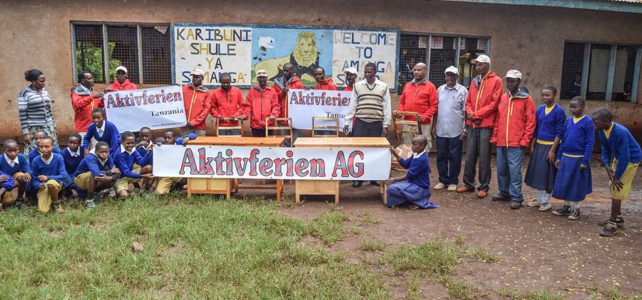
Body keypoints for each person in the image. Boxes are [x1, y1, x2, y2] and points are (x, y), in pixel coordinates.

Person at [457, 54, 502, 199]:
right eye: (476, 65)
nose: (478, 67)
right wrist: (470, 114)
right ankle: (468, 183)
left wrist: (476, 115)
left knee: (484, 157)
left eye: (481, 64)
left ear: (487, 65)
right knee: (469, 156)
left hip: (485, 125)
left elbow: (494, 104)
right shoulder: (474, 81)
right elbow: (468, 101)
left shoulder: (496, 81)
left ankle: (484, 186)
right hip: (472, 125)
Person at [489, 70, 536, 209]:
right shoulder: (504, 97)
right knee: (502, 169)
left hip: (517, 142)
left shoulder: (527, 99)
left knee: (514, 171)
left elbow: (530, 121)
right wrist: (496, 136)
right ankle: (504, 192)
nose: (509, 83)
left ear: (519, 82)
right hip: (502, 141)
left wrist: (525, 140)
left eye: (513, 80)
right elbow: (498, 119)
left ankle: (516, 196)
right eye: (508, 80)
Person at [592, 108, 641, 237]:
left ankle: (613, 224)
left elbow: (625, 156)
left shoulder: (620, 132)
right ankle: (618, 218)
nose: (594, 125)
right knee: (612, 186)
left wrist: (617, 176)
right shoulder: (602, 131)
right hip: (620, 158)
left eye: (596, 122)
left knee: (618, 189)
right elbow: (605, 149)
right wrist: (607, 164)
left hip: (631, 159)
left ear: (606, 121)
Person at [343, 62, 392, 187]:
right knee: (358, 150)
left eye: (369, 72)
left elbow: (386, 106)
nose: (367, 74)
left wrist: (386, 124)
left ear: (375, 72)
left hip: (376, 122)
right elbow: (352, 105)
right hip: (360, 122)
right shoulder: (358, 86)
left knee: (374, 151)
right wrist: (347, 123)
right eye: (365, 72)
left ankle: (373, 177)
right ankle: (358, 178)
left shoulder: (383, 86)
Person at [551, 97, 594, 220]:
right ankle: (566, 206)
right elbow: (563, 140)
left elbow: (589, 143)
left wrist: (585, 161)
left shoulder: (587, 122)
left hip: (578, 159)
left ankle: (576, 209)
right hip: (566, 158)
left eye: (575, 107)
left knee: (576, 184)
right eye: (571, 107)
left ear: (583, 107)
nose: (572, 109)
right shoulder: (568, 121)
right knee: (565, 182)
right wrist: (559, 156)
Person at [524, 86, 566, 211]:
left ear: (554, 96)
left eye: (548, 95)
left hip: (550, 146)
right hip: (539, 145)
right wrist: (533, 143)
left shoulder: (559, 111)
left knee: (547, 175)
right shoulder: (540, 109)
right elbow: (536, 128)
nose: (545, 97)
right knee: (537, 173)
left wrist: (553, 150)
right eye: (543, 95)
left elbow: (559, 133)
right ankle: (539, 199)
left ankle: (546, 201)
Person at [433, 66, 468, 191]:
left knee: (455, 156)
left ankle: (453, 181)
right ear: (445, 76)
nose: (450, 78)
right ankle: (443, 180)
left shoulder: (463, 91)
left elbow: (465, 112)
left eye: (452, 75)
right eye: (448, 75)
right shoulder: (439, 90)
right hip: (441, 129)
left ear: (457, 77)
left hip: (456, 130)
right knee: (441, 156)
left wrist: (465, 129)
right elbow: (436, 110)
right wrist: (434, 126)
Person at [386, 135, 438, 209]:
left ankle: (418, 199)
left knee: (392, 188)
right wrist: (394, 153)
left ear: (422, 146)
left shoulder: (421, 159)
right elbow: (406, 164)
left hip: (419, 187)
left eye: (414, 144)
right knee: (392, 186)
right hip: (413, 183)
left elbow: (409, 175)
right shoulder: (416, 154)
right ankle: (412, 200)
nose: (412, 146)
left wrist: (394, 180)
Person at [395, 62, 438, 149]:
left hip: (422, 124)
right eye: (414, 70)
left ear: (425, 71)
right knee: (407, 148)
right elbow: (402, 102)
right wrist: (400, 112)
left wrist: (424, 117)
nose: (416, 72)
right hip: (407, 123)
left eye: (419, 70)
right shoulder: (408, 85)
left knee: (422, 149)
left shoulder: (430, 87)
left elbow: (433, 106)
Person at [19, 69, 59, 153]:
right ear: (33, 81)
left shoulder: (44, 91)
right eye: (41, 81)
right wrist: (26, 133)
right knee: (34, 151)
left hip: (49, 127)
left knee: (52, 150)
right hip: (34, 129)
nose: (43, 83)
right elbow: (22, 115)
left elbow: (49, 110)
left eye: (44, 81)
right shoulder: (25, 93)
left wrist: (54, 126)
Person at [73, 142, 120, 208]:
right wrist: (111, 171)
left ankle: (95, 193)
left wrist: (110, 178)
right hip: (79, 180)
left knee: (112, 178)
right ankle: (90, 200)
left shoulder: (108, 156)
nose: (104, 154)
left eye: (106, 152)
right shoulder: (90, 157)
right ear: (96, 151)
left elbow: (118, 172)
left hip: (93, 180)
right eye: (101, 152)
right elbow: (96, 173)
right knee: (93, 175)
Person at [29, 136, 67, 213]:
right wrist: (38, 185)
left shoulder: (58, 158)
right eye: (41, 147)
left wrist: (47, 178)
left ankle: (56, 204)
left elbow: (63, 175)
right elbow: (34, 179)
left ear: (52, 146)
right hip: (43, 187)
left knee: (50, 184)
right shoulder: (35, 161)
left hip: (56, 183)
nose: (44, 149)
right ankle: (49, 201)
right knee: (43, 211)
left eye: (47, 147)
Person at [272, 63, 305, 144]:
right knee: (285, 142)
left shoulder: (298, 84)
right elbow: (273, 98)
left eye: (287, 71)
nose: (285, 73)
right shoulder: (277, 84)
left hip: (296, 119)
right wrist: (281, 92)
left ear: (292, 71)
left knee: (297, 142)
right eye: (284, 71)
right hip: (282, 118)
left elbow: (303, 100)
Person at [113, 131, 153, 199]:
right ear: (122, 142)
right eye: (128, 143)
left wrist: (148, 152)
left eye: (133, 143)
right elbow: (126, 172)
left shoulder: (133, 149)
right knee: (124, 196)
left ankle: (142, 191)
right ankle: (113, 189)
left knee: (149, 167)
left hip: (130, 174)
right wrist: (142, 176)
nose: (131, 145)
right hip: (120, 178)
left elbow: (141, 162)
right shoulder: (119, 154)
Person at [244, 69, 280, 137]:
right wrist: (245, 115)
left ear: (267, 78)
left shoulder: (272, 91)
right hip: (255, 125)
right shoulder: (252, 91)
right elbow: (248, 106)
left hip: (269, 123)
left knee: (269, 145)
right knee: (257, 145)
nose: (262, 79)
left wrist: (273, 115)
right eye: (260, 77)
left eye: (264, 77)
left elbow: (276, 106)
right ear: (257, 79)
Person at [0, 139, 32, 208]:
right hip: (3, 184)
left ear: (18, 149)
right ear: (4, 150)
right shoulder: (0, 159)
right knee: (8, 202)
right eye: (9, 151)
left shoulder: (21, 157)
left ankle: (20, 200)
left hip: (16, 182)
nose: (13, 153)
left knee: (22, 176)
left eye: (15, 150)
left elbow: (27, 169)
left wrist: (28, 173)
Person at [72, 71, 105, 136]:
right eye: (89, 79)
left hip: (96, 128)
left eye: (92, 78)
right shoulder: (76, 92)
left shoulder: (93, 92)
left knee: (95, 146)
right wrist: (91, 97)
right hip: (83, 129)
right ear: (83, 81)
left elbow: (99, 107)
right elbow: (77, 104)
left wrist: (103, 100)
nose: (92, 80)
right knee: (84, 146)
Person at [182, 68, 212, 137]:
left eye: (197, 77)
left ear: (202, 78)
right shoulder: (184, 89)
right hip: (185, 127)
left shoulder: (206, 92)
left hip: (199, 128)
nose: (194, 79)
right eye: (193, 77)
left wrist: (194, 122)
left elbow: (206, 110)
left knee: (199, 146)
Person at [61, 133, 85, 198]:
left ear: (79, 144)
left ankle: (76, 191)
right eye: (70, 142)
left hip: (81, 175)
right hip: (69, 176)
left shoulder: (84, 151)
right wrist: (72, 178)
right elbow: (64, 170)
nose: (71, 145)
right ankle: (75, 190)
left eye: (74, 143)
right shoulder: (63, 154)